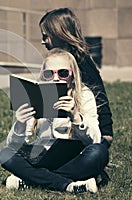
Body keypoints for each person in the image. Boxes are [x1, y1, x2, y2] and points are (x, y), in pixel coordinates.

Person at [0, 48, 109, 193]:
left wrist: (76, 117)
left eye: (63, 73)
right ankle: (69, 185)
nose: (56, 78)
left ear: (72, 74)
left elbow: (95, 139)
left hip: (72, 158)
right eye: (49, 74)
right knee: (6, 155)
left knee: (99, 152)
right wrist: (19, 124)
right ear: (43, 76)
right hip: (42, 155)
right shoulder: (36, 96)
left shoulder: (84, 95)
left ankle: (32, 179)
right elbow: (15, 145)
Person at [39, 8, 113, 148]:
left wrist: (106, 133)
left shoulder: (81, 62)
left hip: (90, 132)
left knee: (94, 154)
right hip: (59, 134)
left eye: (45, 36)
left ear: (58, 34)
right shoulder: (55, 62)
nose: (43, 42)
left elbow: (100, 99)